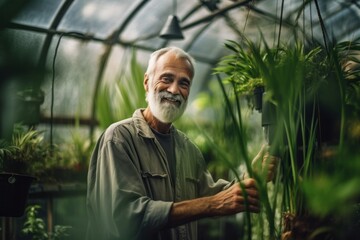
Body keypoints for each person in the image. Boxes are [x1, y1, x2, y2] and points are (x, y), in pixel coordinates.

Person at [86, 46, 277, 240]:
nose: (174, 90)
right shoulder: (119, 138)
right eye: (166, 78)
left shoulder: (187, 149)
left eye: (184, 83)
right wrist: (213, 204)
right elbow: (127, 217)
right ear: (146, 82)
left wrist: (251, 177)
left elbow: (214, 194)